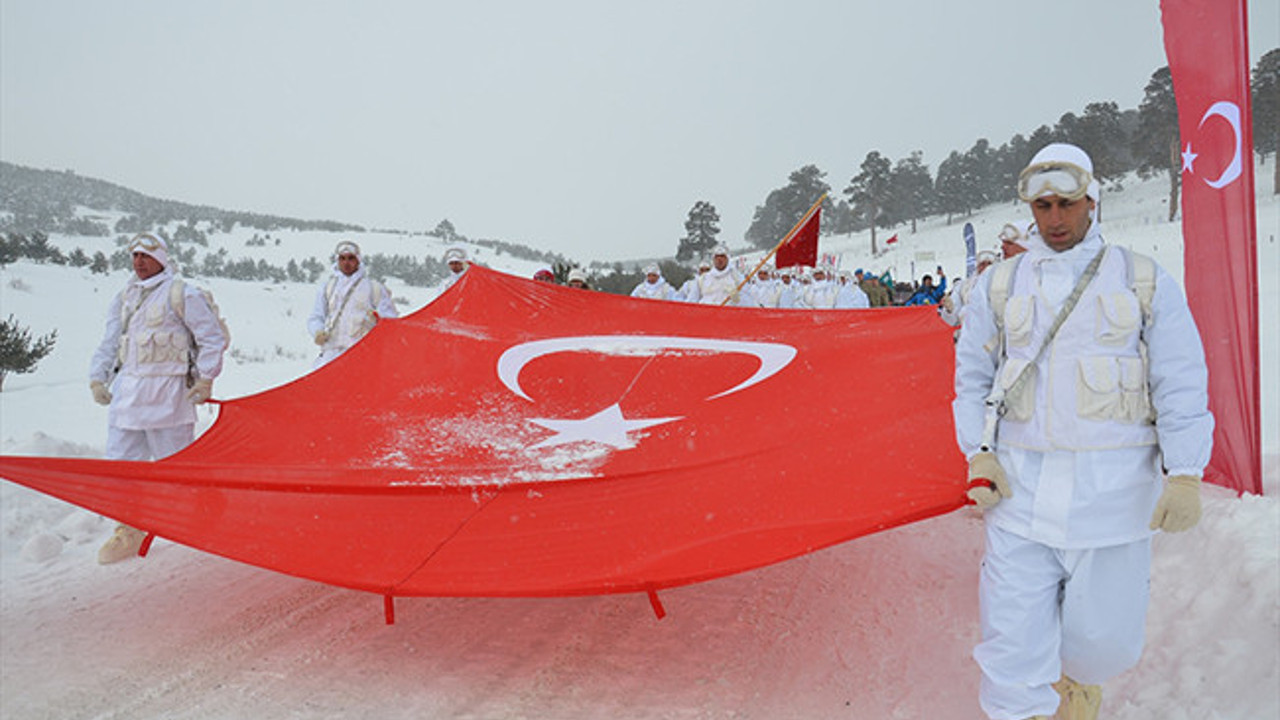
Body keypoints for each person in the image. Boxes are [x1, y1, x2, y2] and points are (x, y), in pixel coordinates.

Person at [953, 143, 1213, 720]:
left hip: (1113, 500)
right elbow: (971, 377)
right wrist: (979, 452)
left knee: (1104, 645)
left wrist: (1186, 472)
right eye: (1042, 205)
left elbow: (1180, 379)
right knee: (1011, 647)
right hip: (1020, 496)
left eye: (1066, 204)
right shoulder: (1000, 286)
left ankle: (1078, 683)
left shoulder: (1141, 278)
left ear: (1091, 200)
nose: (1055, 218)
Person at [88, 232, 230, 564]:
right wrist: (98, 377)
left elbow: (211, 338)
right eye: (135, 255)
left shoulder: (182, 293)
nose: (139, 262)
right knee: (122, 466)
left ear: (161, 259)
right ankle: (128, 529)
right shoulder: (125, 296)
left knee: (178, 466)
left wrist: (206, 378)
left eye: (146, 256)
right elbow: (111, 340)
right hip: (128, 396)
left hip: (169, 396)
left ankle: (203, 515)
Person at [307, 241, 398, 368]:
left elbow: (391, 321)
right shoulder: (327, 287)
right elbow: (316, 317)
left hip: (361, 356)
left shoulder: (374, 288)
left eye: (351, 258)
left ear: (358, 260)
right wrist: (317, 331)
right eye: (342, 258)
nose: (346, 262)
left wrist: (376, 321)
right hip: (330, 356)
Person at [940, 249, 997, 327]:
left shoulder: (1005, 284)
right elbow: (953, 320)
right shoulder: (964, 287)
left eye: (989, 264)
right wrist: (949, 310)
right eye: (982, 264)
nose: (986, 268)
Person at [684, 245, 755, 306]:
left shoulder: (737, 278)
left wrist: (738, 299)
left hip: (728, 315)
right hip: (707, 315)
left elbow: (749, 303)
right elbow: (691, 301)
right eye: (717, 257)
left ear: (727, 259)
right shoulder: (703, 279)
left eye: (722, 256)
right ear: (713, 259)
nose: (719, 259)